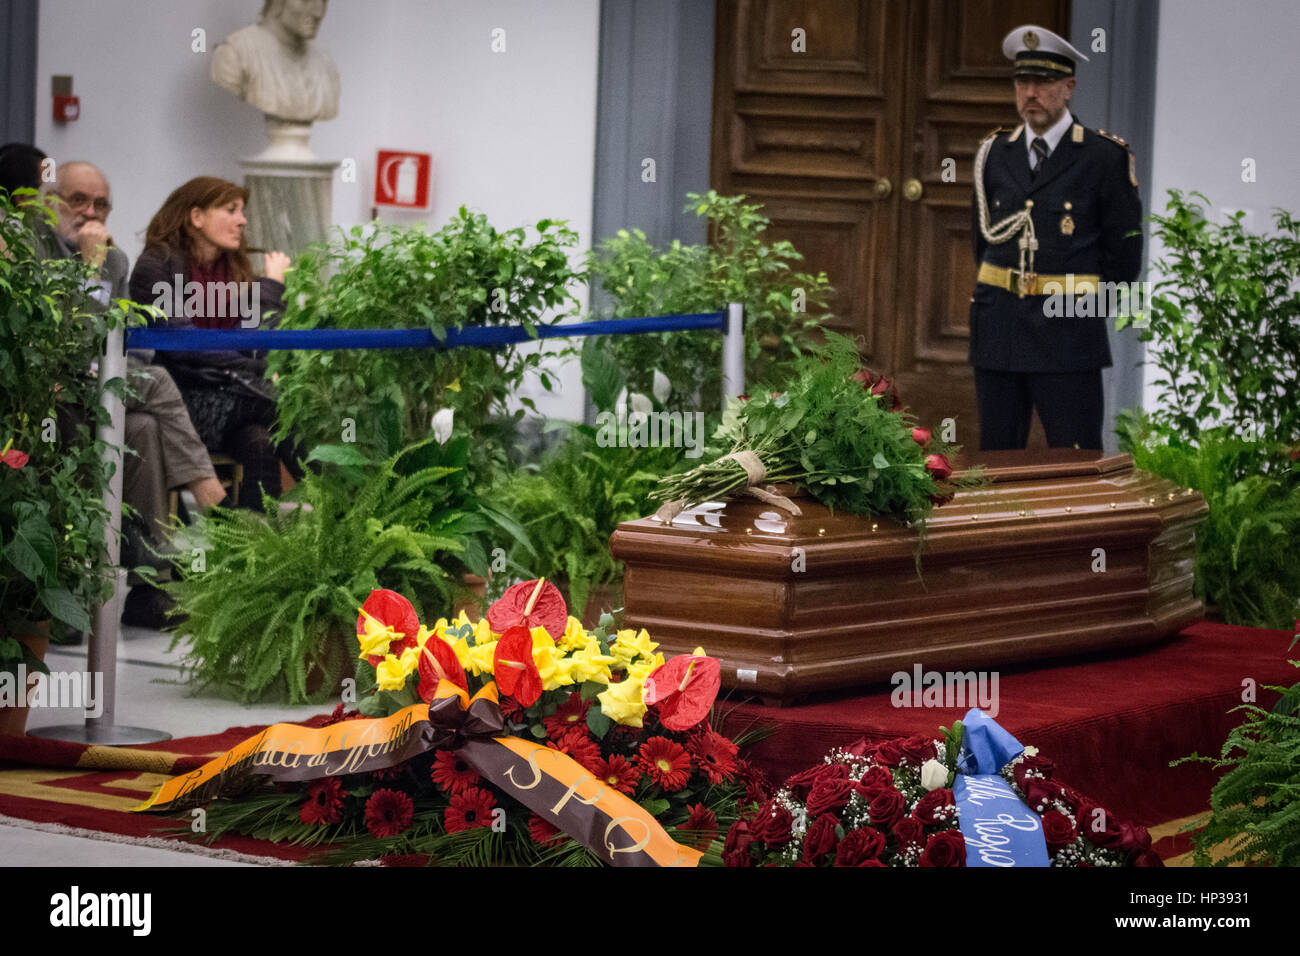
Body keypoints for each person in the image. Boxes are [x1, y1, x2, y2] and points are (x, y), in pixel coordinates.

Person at [30, 157, 228, 628]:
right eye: (78, 200)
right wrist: (88, 267)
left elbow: (128, 341)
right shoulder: (31, 253)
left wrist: (100, 266)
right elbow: (61, 343)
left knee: (141, 426)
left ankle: (151, 588)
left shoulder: (115, 260)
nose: (90, 212)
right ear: (48, 201)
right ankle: (211, 499)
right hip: (47, 396)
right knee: (157, 386)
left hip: (101, 388)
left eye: (101, 203)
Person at [968, 25, 1143, 451]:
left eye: (1043, 83)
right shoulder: (994, 154)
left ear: (1068, 87)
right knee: (997, 462)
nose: (1031, 93)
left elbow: (1124, 259)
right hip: (999, 332)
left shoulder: (1104, 158)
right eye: (1023, 82)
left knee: (1077, 460)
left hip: (1069, 337)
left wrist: (1083, 313)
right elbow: (983, 242)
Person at [128, 176, 300, 511]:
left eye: (242, 211)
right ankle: (348, 505)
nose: (243, 219)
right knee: (287, 409)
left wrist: (268, 289)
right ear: (196, 217)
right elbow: (184, 343)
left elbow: (258, 346)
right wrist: (270, 290)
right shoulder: (154, 267)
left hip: (236, 400)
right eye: (231, 209)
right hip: (183, 402)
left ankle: (250, 545)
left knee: (261, 441)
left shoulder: (235, 269)